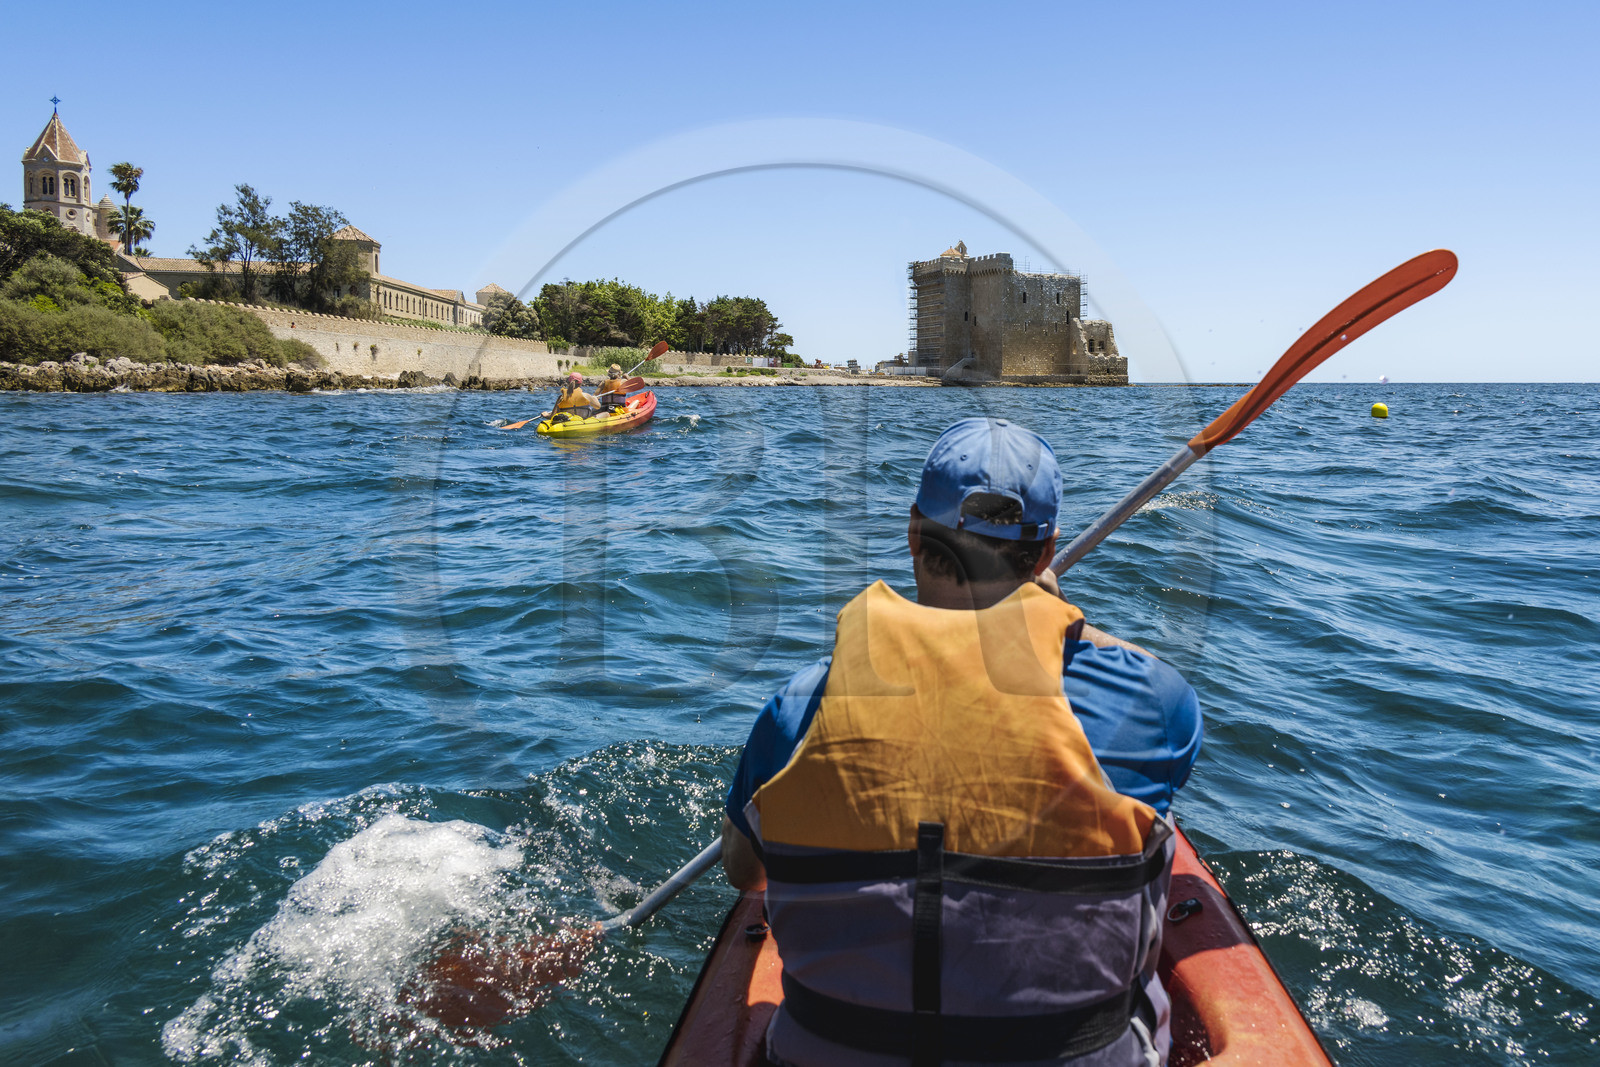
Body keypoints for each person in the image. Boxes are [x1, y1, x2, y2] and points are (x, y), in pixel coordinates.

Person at [722, 416, 1203, 1067]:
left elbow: (745, 872)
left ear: (914, 533)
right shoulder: (1157, 701)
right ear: (1046, 554)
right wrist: (1063, 623)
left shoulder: (797, 706)